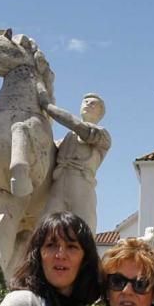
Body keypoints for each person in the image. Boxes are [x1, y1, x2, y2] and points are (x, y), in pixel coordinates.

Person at [40, 92, 112, 233]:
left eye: (93, 104)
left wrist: (47, 107)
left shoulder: (102, 134)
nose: (88, 105)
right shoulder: (67, 137)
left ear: (101, 113)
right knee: (44, 226)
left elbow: (77, 125)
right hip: (58, 184)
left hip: (81, 183)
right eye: (85, 102)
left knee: (83, 228)